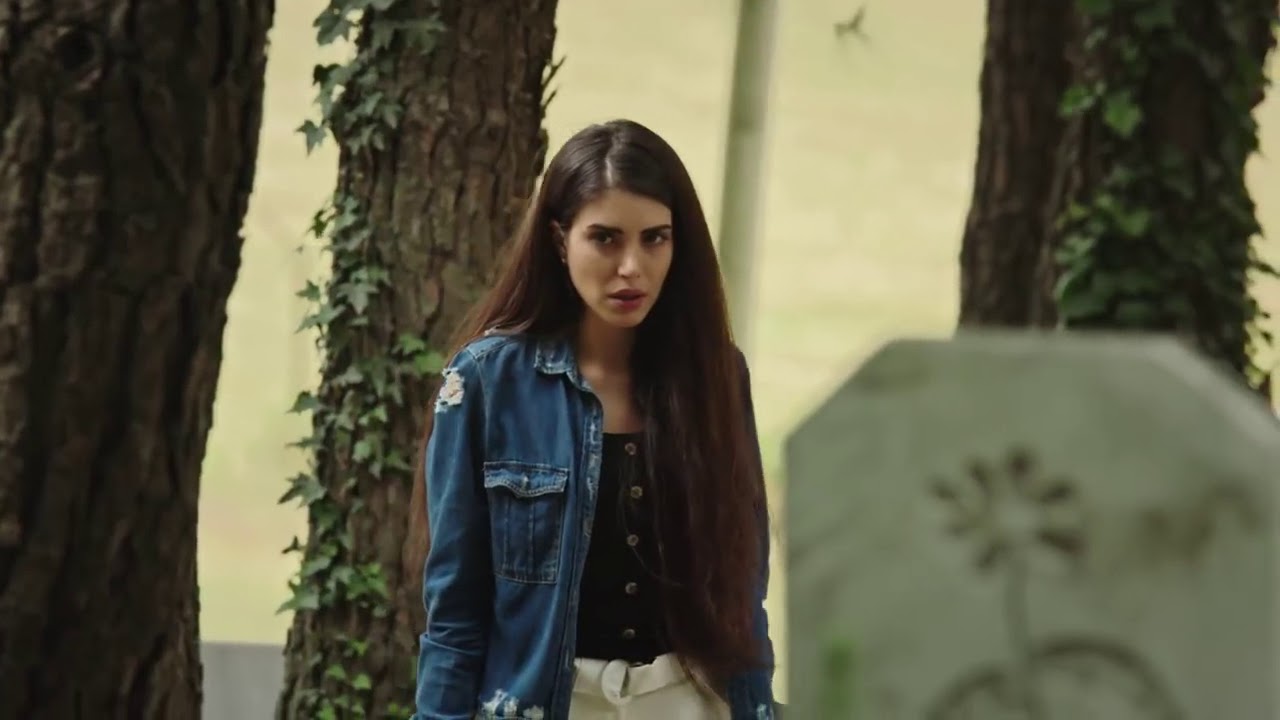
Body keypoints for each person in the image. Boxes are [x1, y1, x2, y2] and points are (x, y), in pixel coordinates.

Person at [411, 119, 776, 720]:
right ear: (560, 241)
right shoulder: (485, 382)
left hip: (690, 702)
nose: (631, 266)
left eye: (655, 239)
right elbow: (455, 610)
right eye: (605, 239)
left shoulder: (716, 376)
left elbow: (744, 587)